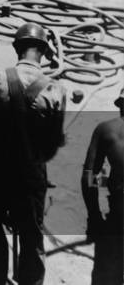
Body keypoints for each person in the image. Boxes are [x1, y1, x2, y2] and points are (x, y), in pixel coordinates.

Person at [0, 23, 66, 285]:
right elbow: (53, 143)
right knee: (31, 236)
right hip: (31, 173)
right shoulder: (55, 89)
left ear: (17, 47)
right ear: (45, 51)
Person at [81, 87, 124, 285]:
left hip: (118, 216)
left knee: (107, 277)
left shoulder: (107, 130)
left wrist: (95, 215)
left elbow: (89, 177)